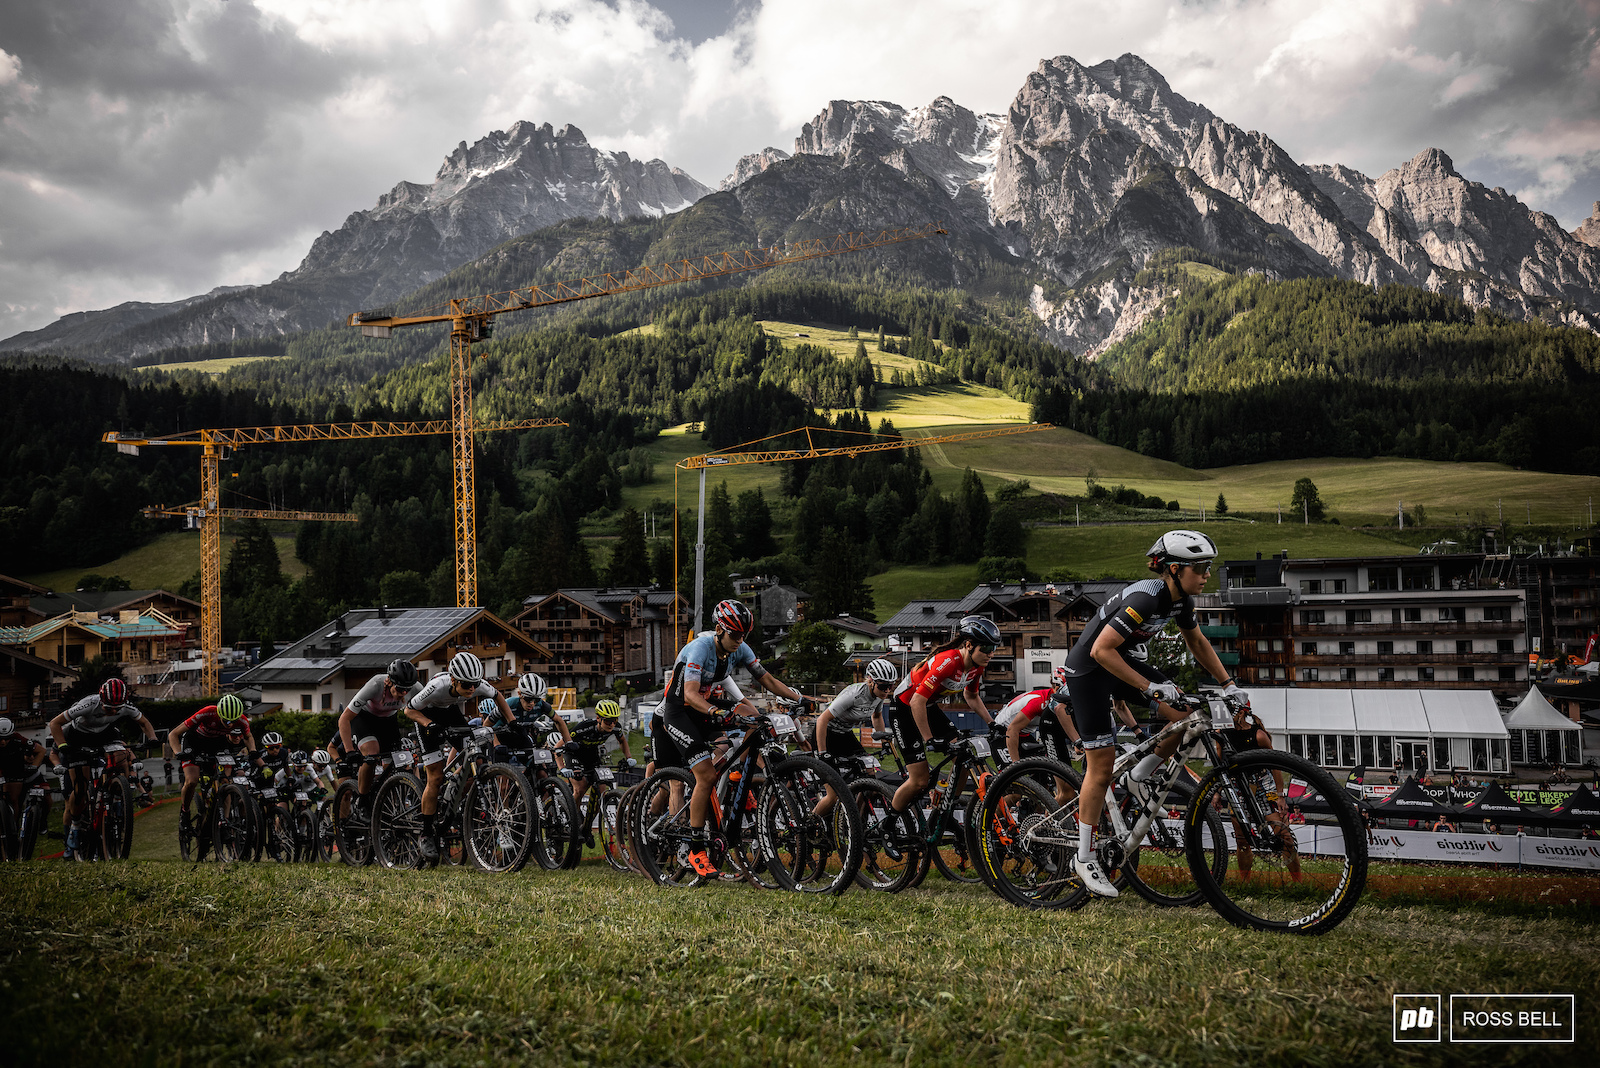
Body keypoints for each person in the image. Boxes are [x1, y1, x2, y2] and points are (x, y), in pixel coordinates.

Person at [1049, 529, 1242, 898]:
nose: (1206, 575)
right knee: (1101, 767)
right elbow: (1100, 651)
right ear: (1173, 569)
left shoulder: (1180, 601)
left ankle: (1139, 776)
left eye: (1208, 567)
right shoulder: (1146, 598)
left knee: (1185, 714)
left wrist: (1229, 684)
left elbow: (1197, 642)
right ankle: (1084, 856)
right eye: (1200, 568)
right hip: (1090, 672)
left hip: (1118, 665)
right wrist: (1149, 687)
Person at [660, 599, 810, 878]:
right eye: (734, 634)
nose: (739, 640)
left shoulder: (739, 647)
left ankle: (739, 776)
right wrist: (718, 711)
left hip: (704, 708)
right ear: (719, 629)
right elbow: (690, 695)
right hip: (680, 711)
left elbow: (767, 679)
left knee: (757, 717)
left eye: (744, 635)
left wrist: (799, 697)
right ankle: (695, 847)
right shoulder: (700, 648)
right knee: (705, 776)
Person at [405, 651, 515, 863]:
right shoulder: (436, 686)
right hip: (426, 717)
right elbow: (408, 711)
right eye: (466, 685)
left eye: (474, 685)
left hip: (450, 712)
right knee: (435, 777)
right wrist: (429, 724)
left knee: (478, 761)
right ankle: (427, 833)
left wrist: (512, 721)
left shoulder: (474, 684)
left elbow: (498, 696)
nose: (472, 689)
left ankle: (453, 795)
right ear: (453, 680)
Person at [886, 615, 999, 818]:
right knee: (919, 780)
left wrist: (993, 724)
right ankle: (890, 821)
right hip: (904, 708)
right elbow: (916, 701)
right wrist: (930, 739)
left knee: (964, 756)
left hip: (927, 706)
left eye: (994, 649)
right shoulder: (947, 661)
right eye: (987, 649)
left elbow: (971, 696)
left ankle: (944, 811)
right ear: (969, 645)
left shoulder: (977, 666)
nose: (990, 655)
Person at [51, 678, 159, 859]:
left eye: (118, 708)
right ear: (101, 700)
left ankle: (120, 792)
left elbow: (144, 723)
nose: (114, 711)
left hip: (104, 734)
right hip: (77, 736)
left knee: (122, 754)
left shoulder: (124, 705)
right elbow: (55, 723)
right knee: (80, 788)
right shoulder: (88, 704)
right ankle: (76, 825)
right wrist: (62, 746)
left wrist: (153, 739)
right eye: (109, 708)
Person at [811, 657, 898, 817]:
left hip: (845, 735)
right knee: (833, 795)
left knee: (872, 781)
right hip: (826, 734)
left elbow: (877, 717)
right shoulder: (854, 695)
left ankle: (854, 821)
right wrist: (823, 753)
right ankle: (811, 823)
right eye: (884, 686)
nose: (887, 691)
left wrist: (885, 742)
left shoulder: (878, 696)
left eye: (891, 686)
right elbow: (822, 719)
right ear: (871, 681)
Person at [337, 659, 423, 822]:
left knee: (395, 763)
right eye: (399, 689)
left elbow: (429, 711)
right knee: (372, 753)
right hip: (364, 719)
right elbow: (344, 719)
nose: (404, 693)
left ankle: (386, 803)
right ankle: (363, 800)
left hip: (388, 721)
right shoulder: (375, 684)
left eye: (407, 689)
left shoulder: (416, 688)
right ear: (389, 681)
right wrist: (349, 751)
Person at [167, 693, 255, 839]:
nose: (230, 725)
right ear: (219, 713)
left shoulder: (242, 720)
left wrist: (253, 751)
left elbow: (248, 736)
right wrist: (178, 753)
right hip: (194, 742)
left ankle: (224, 822)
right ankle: (185, 812)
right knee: (192, 780)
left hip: (216, 744)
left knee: (225, 783)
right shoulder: (207, 712)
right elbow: (173, 734)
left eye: (233, 721)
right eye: (226, 721)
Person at [565, 699, 635, 846]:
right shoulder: (584, 728)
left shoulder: (616, 728)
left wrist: (628, 758)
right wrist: (562, 767)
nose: (612, 724)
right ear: (598, 718)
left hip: (592, 757)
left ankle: (586, 827)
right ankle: (574, 818)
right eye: (608, 721)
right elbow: (561, 745)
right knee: (580, 788)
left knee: (601, 791)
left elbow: (622, 741)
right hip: (574, 756)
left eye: (614, 720)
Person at [0, 717, 51, 841]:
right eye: (0, 738)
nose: (3, 742)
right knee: (11, 799)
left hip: (22, 772)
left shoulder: (18, 739)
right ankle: (11, 826)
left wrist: (33, 767)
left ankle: (39, 822)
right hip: (7, 771)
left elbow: (41, 750)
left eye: (7, 739)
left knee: (46, 799)